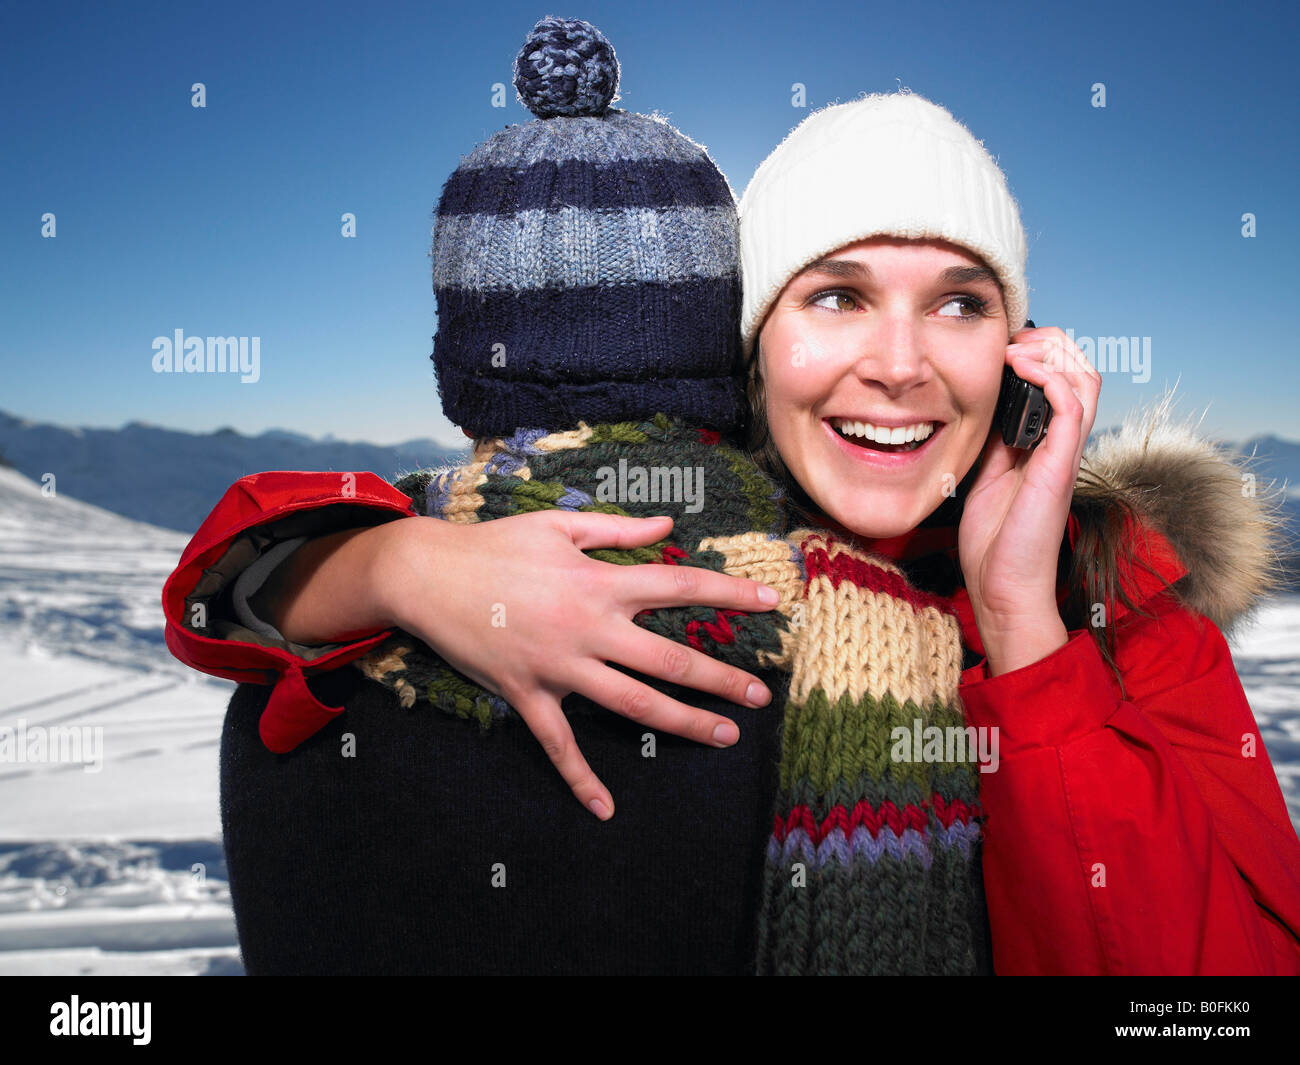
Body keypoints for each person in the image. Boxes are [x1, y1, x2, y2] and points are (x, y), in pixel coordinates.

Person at [163, 51, 1300, 973]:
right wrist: (398, 568)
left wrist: (1025, 633)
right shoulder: (656, 549)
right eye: (838, 296)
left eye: (957, 301)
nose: (898, 364)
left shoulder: (1140, 623)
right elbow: (229, 596)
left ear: (1015, 352)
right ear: (752, 350)